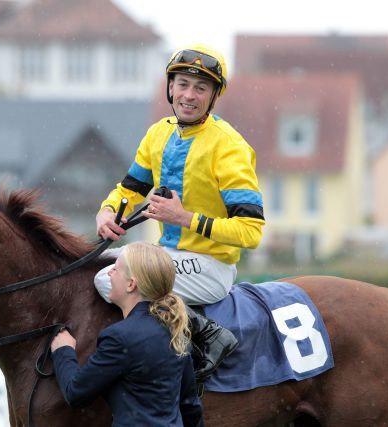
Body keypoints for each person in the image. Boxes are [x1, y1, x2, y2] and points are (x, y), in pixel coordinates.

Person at [94, 43, 265, 384]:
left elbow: (250, 232)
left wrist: (185, 218)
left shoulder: (228, 146)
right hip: (168, 258)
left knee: (110, 278)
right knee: (94, 266)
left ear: (213, 97)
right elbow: (129, 189)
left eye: (201, 88)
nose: (189, 95)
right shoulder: (158, 133)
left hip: (210, 267)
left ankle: (209, 333)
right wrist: (108, 210)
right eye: (183, 84)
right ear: (170, 88)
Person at [51, 242, 203, 427]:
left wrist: (63, 351)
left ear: (131, 284)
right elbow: (190, 406)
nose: (109, 273)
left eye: (115, 269)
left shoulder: (119, 337)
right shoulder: (175, 329)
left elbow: (75, 393)